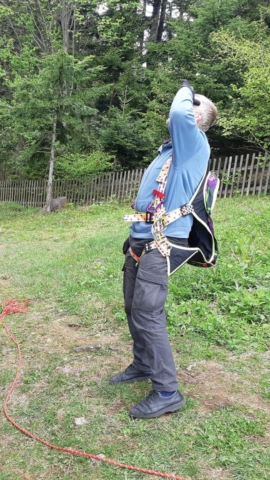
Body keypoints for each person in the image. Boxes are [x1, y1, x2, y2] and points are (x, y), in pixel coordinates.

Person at [110, 81, 217, 419]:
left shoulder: (194, 144)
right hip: (141, 238)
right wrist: (134, 234)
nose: (182, 112)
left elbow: (177, 109)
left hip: (164, 242)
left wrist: (188, 88)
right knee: (132, 307)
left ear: (196, 119)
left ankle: (168, 391)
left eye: (193, 107)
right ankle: (143, 364)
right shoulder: (169, 151)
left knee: (147, 312)